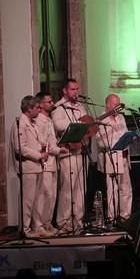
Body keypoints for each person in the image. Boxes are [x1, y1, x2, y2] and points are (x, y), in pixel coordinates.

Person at [10, 96, 65, 237]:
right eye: (37, 108)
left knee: (34, 200)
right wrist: (39, 155)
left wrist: (40, 146)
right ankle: (25, 230)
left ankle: (32, 228)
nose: (39, 110)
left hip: (35, 167)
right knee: (27, 200)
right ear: (29, 109)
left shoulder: (30, 122)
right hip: (28, 167)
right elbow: (20, 148)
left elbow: (30, 142)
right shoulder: (20, 123)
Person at [52, 79, 89, 233]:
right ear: (65, 91)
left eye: (77, 89)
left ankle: (77, 220)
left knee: (80, 190)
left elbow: (87, 122)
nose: (76, 92)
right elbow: (58, 124)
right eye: (73, 89)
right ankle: (64, 222)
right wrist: (76, 124)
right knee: (67, 190)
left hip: (79, 151)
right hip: (67, 153)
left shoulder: (80, 107)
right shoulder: (59, 107)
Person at [95, 93, 133, 222]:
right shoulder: (101, 119)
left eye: (119, 103)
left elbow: (125, 133)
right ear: (108, 105)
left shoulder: (121, 117)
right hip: (110, 156)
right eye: (115, 104)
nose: (118, 106)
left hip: (123, 156)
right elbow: (100, 142)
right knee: (112, 188)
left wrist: (129, 138)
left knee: (126, 188)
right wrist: (115, 145)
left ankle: (125, 215)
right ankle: (112, 216)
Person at [35, 91, 62, 234]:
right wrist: (58, 150)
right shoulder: (38, 120)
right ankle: (39, 225)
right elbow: (43, 142)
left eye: (52, 101)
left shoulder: (49, 119)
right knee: (44, 194)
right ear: (40, 104)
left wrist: (59, 145)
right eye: (48, 102)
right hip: (45, 161)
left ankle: (47, 223)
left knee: (52, 195)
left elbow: (52, 140)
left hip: (53, 161)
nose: (52, 104)